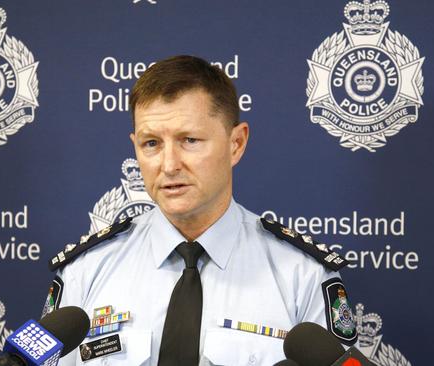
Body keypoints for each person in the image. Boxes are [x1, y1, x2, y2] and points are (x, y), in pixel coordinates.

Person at [43, 55, 356, 366]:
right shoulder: (86, 270)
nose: (168, 165)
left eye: (189, 140)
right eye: (151, 143)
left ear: (236, 143)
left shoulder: (302, 274)